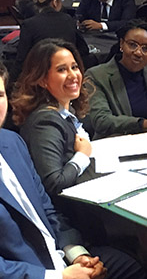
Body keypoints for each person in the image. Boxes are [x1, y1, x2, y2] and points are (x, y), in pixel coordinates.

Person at [0, 51, 147, 279]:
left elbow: (46, 210)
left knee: (138, 271)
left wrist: (77, 254)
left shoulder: (10, 142)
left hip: (55, 261)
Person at [11, 39, 91, 196]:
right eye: (62, 70)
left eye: (74, 67)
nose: (73, 75)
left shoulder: (64, 110)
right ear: (42, 80)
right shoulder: (45, 122)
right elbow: (53, 183)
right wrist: (82, 155)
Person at [14, 0, 88, 83]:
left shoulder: (29, 24)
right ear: (55, 2)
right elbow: (83, 49)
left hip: (40, 77)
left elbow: (22, 59)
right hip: (65, 74)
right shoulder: (68, 19)